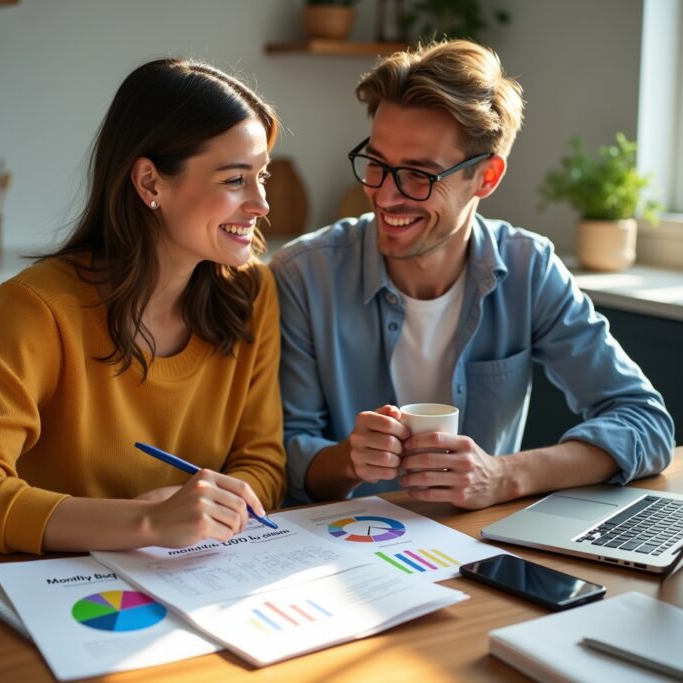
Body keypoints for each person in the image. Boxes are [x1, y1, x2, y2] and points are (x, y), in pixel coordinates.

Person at [270, 39, 674, 509]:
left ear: (486, 177)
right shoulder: (303, 275)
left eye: (419, 174)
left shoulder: (528, 268)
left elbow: (644, 421)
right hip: (345, 549)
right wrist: (347, 460)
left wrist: (504, 475)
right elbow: (285, 459)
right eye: (377, 164)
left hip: (478, 548)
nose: (384, 195)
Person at [0, 58, 286, 553]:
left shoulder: (252, 294)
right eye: (234, 180)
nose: (262, 203)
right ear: (150, 184)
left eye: (261, 175)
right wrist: (146, 523)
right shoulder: (40, 305)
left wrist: (212, 509)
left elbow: (261, 463)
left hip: (193, 581)